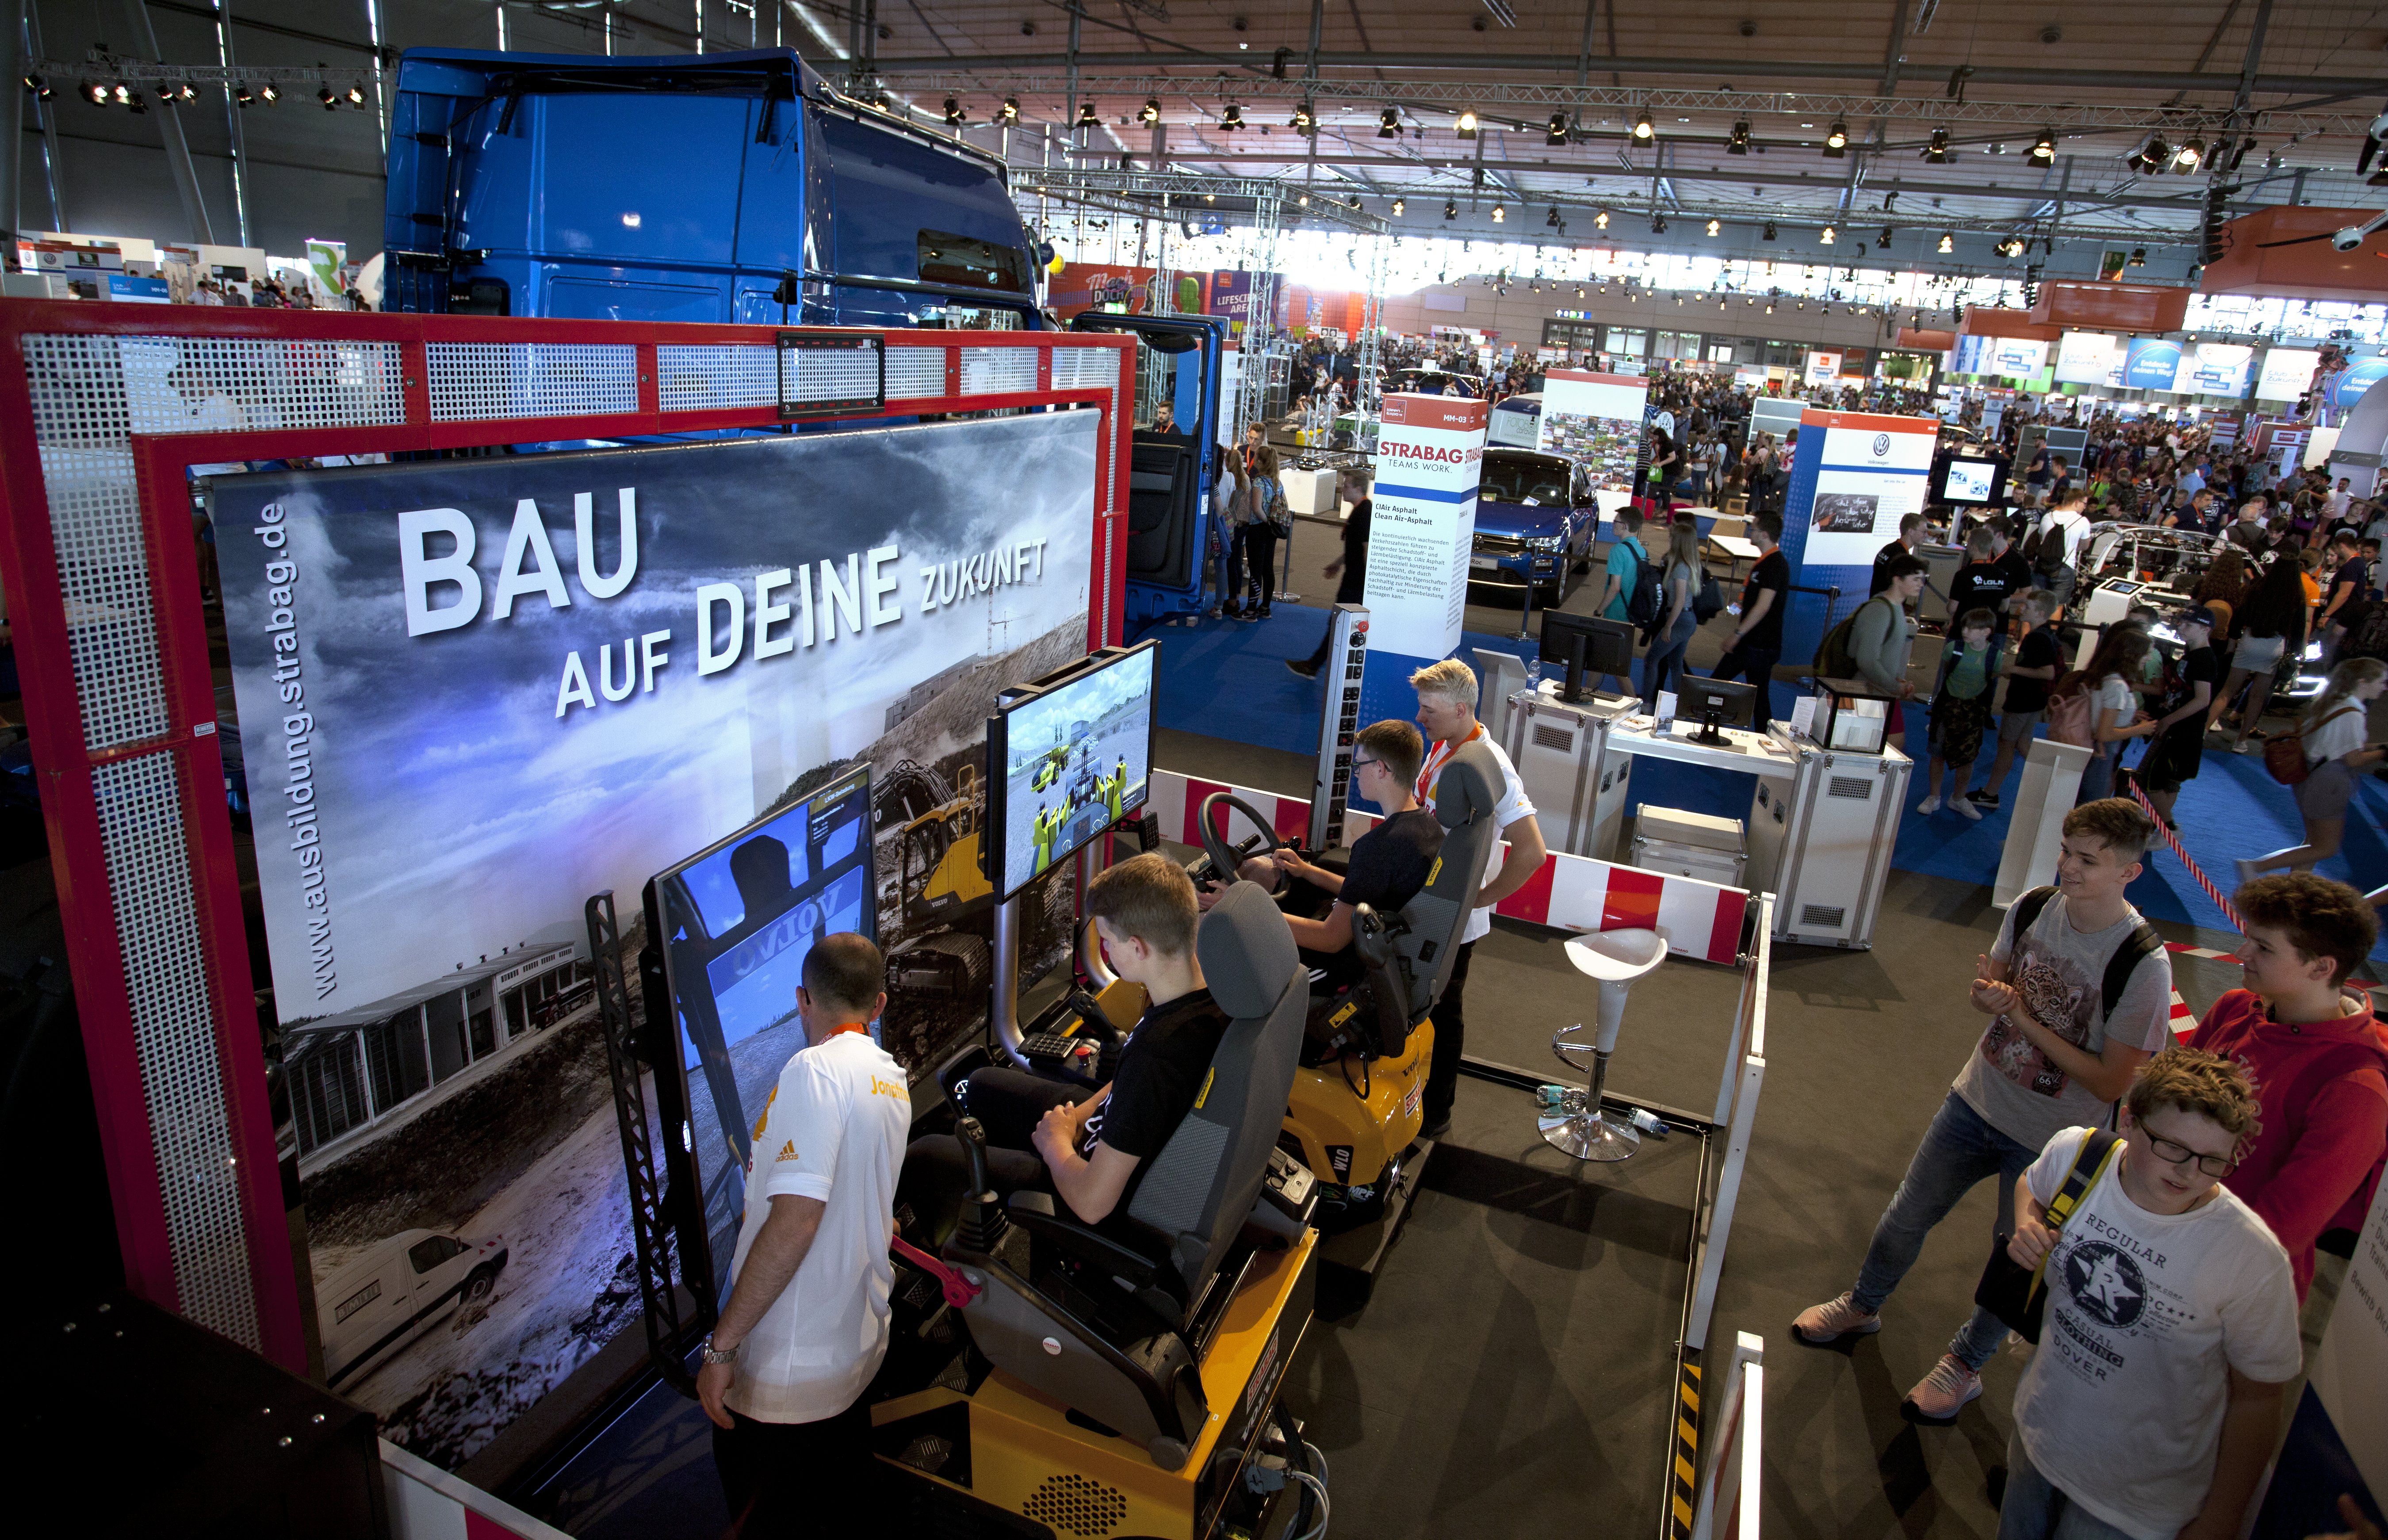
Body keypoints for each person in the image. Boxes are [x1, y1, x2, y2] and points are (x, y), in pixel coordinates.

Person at [1794, 800, 2175, 1423]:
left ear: (2129, 872)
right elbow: (1991, 992)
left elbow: (2113, 1080)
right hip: (1976, 1099)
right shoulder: (2032, 906)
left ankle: (1966, 1364)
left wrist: (2019, 1014)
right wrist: (1990, 995)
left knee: (2013, 1258)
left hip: (2054, 1142)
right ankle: (1863, 1303)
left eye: (2086, 859)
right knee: (1905, 1215)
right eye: (2066, 851)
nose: (2067, 867)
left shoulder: (2142, 964)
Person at [1995, 1050, 2300, 1540]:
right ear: (2131, 1121)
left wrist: (2222, 1518)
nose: (2188, 1173)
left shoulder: (2251, 1258)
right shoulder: (2079, 1154)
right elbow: (2032, 1183)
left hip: (2137, 1504)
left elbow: (2259, 1400)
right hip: (2039, 1436)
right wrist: (2028, 1221)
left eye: (2212, 1161)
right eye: (2172, 1148)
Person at [700, 934, 910, 1536]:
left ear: (802, 999)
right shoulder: (890, 1079)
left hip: (785, 1382)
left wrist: (722, 1347)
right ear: (879, 1003)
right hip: (852, 1356)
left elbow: (795, 1220)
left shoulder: (812, 1070)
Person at [2186, 875, 2388, 1301]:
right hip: (2165, 1229)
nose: (2243, 953)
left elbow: (2283, 1227)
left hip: (2230, 1286)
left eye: (2264, 947)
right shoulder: (2236, 1008)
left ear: (2322, 967)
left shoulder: (2354, 1088)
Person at [1410, 659, 1546, 1139]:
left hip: (1452, 919)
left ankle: (1437, 1113)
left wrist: (1478, 900)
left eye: (1429, 710)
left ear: (1461, 708)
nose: (1420, 718)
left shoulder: (1491, 764)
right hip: (1427, 904)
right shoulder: (1447, 745)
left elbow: (1533, 852)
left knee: (1445, 1013)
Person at [1242, 721, 1443, 990]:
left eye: (1359, 766)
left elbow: (1331, 940)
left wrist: (1247, 911)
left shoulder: (1379, 847)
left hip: (1342, 966)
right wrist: (1307, 871)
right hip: (1374, 939)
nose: (1356, 774)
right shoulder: (1427, 828)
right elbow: (1368, 896)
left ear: (1381, 769)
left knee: (1229, 929)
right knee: (1259, 871)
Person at [2237, 657, 2388, 881]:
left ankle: (2295, 886)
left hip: (2312, 777)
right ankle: (2256, 867)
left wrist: (2376, 747)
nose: (2385, 688)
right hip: (2328, 784)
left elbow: (2341, 745)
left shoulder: (2336, 704)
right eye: (2382, 682)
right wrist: (2384, 754)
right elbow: (2353, 759)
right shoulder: (2353, 715)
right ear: (2363, 681)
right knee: (2325, 847)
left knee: (2312, 841)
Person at [1971, 588, 2063, 809]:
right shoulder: (2048, 636)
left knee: (2006, 744)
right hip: (2035, 700)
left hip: (2023, 700)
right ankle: (2053, 782)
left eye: (2028, 608)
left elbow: (2047, 672)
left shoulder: (2036, 638)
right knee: (2022, 744)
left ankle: (1991, 793)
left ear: (2040, 613)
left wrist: (2013, 669)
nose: (2022, 609)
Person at [2211, 550, 2308, 754]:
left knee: (2227, 692)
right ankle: (2241, 741)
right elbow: (2298, 630)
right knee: (2258, 697)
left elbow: (2239, 615)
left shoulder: (2258, 587)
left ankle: (2202, 730)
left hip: (2250, 640)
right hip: (2274, 646)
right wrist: (2296, 653)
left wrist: (2234, 637)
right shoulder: (2296, 596)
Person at [2135, 607, 2222, 828]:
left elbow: (2203, 699)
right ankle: (2156, 826)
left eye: (2188, 625)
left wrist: (2168, 720)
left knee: (2151, 780)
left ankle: (2168, 827)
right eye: (2181, 623)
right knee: (2167, 781)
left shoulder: (2203, 659)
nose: (2181, 628)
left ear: (2205, 629)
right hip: (2179, 727)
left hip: (2183, 730)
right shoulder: (2193, 655)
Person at [1918, 608, 2002, 820]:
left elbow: (1989, 681)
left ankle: (1958, 798)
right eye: (1964, 626)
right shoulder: (1952, 649)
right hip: (1946, 708)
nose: (1965, 631)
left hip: (1973, 714)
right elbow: (1948, 672)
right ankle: (1934, 797)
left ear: (1987, 632)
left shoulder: (1995, 656)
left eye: (1972, 628)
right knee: (1937, 753)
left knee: (1967, 759)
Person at [1288, 471, 1370, 680]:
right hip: (1353, 579)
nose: (1343, 489)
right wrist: (1338, 563)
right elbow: (1355, 547)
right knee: (1339, 623)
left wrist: (1366, 582)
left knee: (1339, 623)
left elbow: (1366, 549)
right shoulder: (1360, 511)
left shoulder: (1364, 513)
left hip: (1356, 583)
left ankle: (1314, 666)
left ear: (1358, 489)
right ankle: (1319, 666)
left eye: (1347, 486)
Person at [1711, 514, 1787, 732]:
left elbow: (1763, 606)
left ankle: (1765, 737)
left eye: (1753, 530)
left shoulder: (1776, 565)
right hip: (1750, 642)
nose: (1749, 533)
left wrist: (1737, 634)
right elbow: (1749, 599)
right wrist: (1730, 611)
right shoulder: (1764, 562)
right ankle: (1713, 726)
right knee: (1720, 684)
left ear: (1764, 535)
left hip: (1760, 644)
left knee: (1756, 695)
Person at [1852, 555, 1925, 728]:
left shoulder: (1895, 607)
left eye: (1921, 580)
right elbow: (1867, 660)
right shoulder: (1880, 610)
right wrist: (1894, 686)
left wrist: (1896, 684)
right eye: (1915, 579)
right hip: (1868, 693)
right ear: (1897, 579)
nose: (1920, 584)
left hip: (1881, 692)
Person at [1642, 518, 1703, 712]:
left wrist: (1668, 626)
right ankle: (1681, 708)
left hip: (1679, 620)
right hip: (1686, 620)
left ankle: (1648, 703)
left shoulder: (1680, 567)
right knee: (1676, 663)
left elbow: (1679, 600)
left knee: (1651, 659)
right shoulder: (1688, 565)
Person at [1225, 424, 1281, 620]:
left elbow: (1257, 509)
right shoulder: (1277, 482)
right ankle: (1265, 607)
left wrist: (1265, 522)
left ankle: (1250, 611)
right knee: (1267, 569)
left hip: (1259, 529)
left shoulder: (1258, 483)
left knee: (1256, 571)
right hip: (1272, 530)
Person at [1596, 508, 1652, 696]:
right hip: (1631, 613)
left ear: (1626, 526)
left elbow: (1615, 587)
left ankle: (1634, 702)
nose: (1613, 524)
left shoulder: (1618, 551)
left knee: (1614, 665)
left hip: (1616, 613)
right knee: (1602, 660)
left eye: (1616, 521)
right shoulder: (1641, 550)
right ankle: (1584, 692)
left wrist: (1599, 611)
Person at [2319, 531, 2369, 670]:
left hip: (2340, 615)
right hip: (2345, 613)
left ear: (2342, 546)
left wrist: (2326, 615)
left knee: (2323, 650)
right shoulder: (2358, 563)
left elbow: (2344, 593)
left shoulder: (2352, 565)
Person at [1872, 513, 1929, 598]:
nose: (1927, 535)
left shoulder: (1889, 548)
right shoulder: (1901, 557)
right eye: (1924, 532)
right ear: (1911, 531)